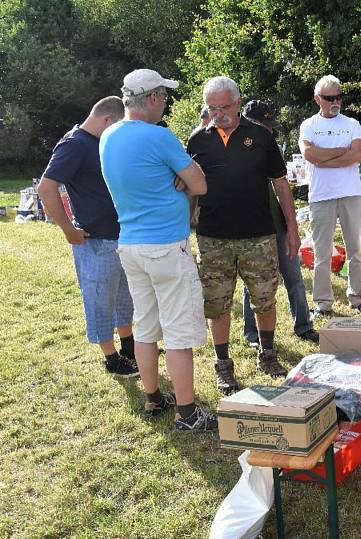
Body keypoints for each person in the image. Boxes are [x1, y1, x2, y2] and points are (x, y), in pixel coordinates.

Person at [99, 68, 216, 431]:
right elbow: (200, 184)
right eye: (164, 97)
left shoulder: (108, 135)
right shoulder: (159, 137)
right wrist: (181, 177)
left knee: (146, 327)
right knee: (180, 332)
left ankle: (153, 397)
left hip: (131, 244)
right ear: (151, 98)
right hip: (166, 245)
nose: (166, 103)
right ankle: (187, 412)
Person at [186, 77, 301, 394]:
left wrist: (292, 228)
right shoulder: (197, 141)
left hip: (259, 237)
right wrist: (183, 230)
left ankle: (268, 354)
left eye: (224, 107)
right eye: (212, 107)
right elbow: (188, 192)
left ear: (238, 103)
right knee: (217, 304)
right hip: (213, 238)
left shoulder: (261, 137)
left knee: (265, 299)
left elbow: (280, 185)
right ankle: (223, 366)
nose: (218, 113)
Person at [38, 96, 139, 378]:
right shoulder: (74, 144)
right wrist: (68, 229)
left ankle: (129, 344)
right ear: (107, 120)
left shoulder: (100, 142)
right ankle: (110, 356)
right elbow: (46, 188)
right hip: (94, 239)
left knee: (124, 295)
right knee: (99, 298)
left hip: (120, 234)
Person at [240, 99, 318, 346]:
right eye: (267, 125)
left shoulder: (268, 145)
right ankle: (252, 334)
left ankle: (303, 325)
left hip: (279, 226)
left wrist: (292, 227)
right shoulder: (235, 148)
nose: (271, 131)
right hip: (253, 231)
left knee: (294, 276)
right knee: (253, 283)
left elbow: (282, 186)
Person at [299, 75, 361, 318]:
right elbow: (310, 155)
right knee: (322, 252)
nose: (335, 102)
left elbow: (357, 155)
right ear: (318, 99)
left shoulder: (352, 124)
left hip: (350, 194)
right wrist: (341, 152)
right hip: (321, 195)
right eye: (329, 98)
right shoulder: (308, 125)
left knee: (356, 248)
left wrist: (326, 157)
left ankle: (357, 297)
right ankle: (323, 303)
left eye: (338, 96)